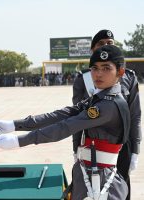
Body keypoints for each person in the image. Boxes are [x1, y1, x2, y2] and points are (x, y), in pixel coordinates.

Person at [0, 45, 130, 199]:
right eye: (95, 68)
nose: (99, 73)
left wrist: (18, 141)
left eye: (106, 68)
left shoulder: (108, 105)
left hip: (100, 182)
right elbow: (62, 115)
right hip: (89, 173)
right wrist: (15, 124)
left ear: (120, 72)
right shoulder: (99, 98)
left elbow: (66, 127)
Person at [72, 29, 141, 200]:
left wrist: (136, 150)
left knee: (120, 191)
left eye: (110, 43)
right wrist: (75, 148)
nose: (106, 46)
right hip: (92, 148)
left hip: (120, 147)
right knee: (91, 192)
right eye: (101, 44)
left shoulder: (128, 77)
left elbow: (135, 116)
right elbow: (74, 118)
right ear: (92, 50)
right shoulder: (83, 79)